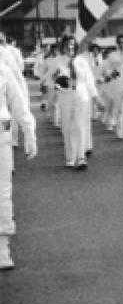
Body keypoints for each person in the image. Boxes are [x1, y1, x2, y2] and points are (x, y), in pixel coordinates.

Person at [0, 60, 37, 270]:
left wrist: (29, 132)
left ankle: (2, 248)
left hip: (0, 135)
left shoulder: (3, 71)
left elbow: (19, 104)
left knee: (2, 192)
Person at [43, 37, 97, 169]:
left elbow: (89, 80)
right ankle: (70, 157)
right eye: (67, 45)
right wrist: (56, 82)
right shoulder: (57, 62)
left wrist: (95, 97)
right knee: (67, 127)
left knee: (80, 125)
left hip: (81, 95)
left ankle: (81, 157)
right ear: (62, 47)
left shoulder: (82, 61)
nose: (70, 48)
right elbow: (48, 80)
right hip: (65, 96)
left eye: (72, 45)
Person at [99, 34, 123, 134]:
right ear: (117, 43)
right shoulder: (112, 55)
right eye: (120, 42)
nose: (122, 45)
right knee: (119, 107)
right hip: (116, 83)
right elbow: (107, 69)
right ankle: (120, 131)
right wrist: (111, 73)